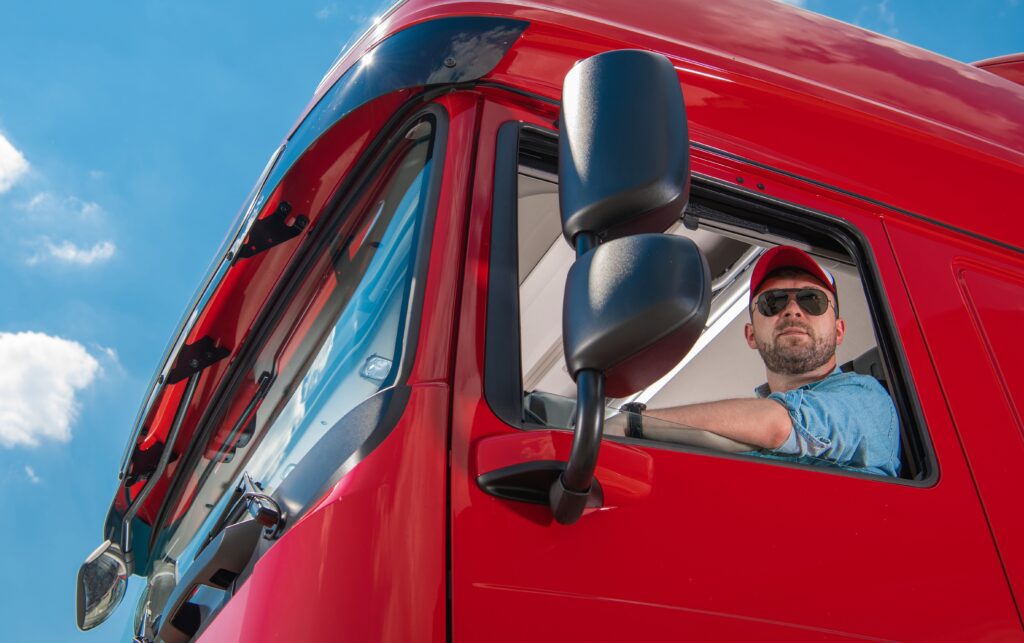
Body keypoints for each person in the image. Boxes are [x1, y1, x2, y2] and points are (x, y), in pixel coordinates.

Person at [629, 245, 901, 477]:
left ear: (839, 331)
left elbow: (780, 425)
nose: (793, 311)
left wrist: (633, 424)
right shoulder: (742, 424)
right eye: (774, 302)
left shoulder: (867, 398)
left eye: (812, 300)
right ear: (751, 335)